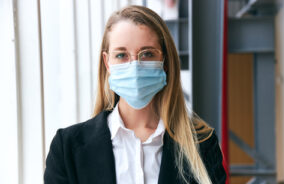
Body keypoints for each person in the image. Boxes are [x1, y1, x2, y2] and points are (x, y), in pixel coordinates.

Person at [44, 5, 226, 184]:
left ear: (165, 61)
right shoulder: (67, 148)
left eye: (147, 54)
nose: (135, 66)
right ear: (107, 63)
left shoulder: (202, 145)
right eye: (122, 55)